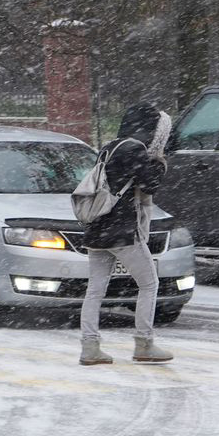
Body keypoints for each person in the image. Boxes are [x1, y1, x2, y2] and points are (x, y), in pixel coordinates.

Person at [79, 102, 173, 365]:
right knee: (149, 283)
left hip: (98, 227)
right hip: (121, 229)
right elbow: (150, 184)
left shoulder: (110, 147)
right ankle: (144, 344)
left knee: (95, 289)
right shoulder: (135, 149)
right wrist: (160, 163)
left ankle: (89, 347)